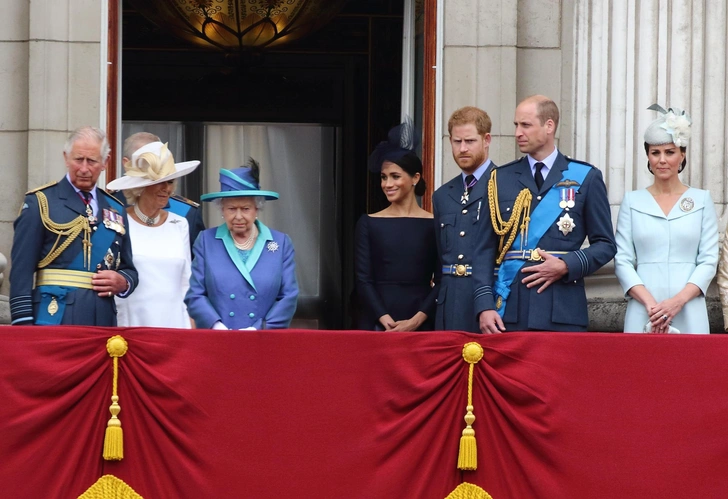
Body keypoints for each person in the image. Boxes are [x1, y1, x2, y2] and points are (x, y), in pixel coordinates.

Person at [473, 95, 616, 333]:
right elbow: (482, 251)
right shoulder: (500, 179)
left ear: (549, 126)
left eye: (526, 125)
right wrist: (484, 305)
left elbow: (605, 245)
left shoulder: (585, 177)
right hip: (508, 312)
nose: (518, 132)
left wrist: (566, 265)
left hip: (562, 311)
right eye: (516, 125)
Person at [9, 126, 138, 326]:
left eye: (92, 161)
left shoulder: (115, 208)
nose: (84, 168)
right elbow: (21, 272)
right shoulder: (41, 202)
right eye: (78, 160)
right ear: (66, 158)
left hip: (102, 319)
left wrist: (123, 281)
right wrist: (23, 324)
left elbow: (129, 268)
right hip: (52, 318)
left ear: (105, 162)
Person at [615, 105, 718, 334]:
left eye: (669, 152)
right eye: (655, 152)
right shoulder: (632, 201)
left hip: (689, 308)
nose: (662, 160)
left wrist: (677, 302)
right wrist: (652, 306)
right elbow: (622, 260)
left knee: (690, 368)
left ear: (682, 155)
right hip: (644, 308)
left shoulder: (701, 200)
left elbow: (709, 260)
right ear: (648, 156)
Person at [185, 160, 298, 329]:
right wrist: (216, 326)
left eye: (245, 209)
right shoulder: (206, 242)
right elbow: (195, 294)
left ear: (256, 209)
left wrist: (259, 328)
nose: (238, 216)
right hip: (218, 340)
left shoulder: (280, 243)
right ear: (222, 209)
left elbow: (288, 296)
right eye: (231, 209)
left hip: (264, 340)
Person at [106, 141, 200, 328]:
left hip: (175, 326)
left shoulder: (180, 224)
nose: (167, 188)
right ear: (139, 187)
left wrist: (191, 327)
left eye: (170, 182)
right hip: (132, 326)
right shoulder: (120, 223)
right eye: (159, 182)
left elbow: (186, 283)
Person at [354, 121, 438, 331]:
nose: (387, 184)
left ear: (415, 178)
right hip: (377, 320)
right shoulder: (368, 222)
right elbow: (363, 280)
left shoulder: (435, 224)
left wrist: (416, 321)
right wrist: (385, 320)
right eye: (383, 177)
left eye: (395, 176)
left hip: (422, 320)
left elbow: (443, 279)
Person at [432, 106, 496, 332]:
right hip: (450, 304)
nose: (463, 148)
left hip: (491, 301)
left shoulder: (505, 186)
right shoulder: (442, 195)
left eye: (469, 141)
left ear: (486, 140)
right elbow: (441, 258)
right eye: (457, 141)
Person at [121, 132, 206, 251]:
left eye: (170, 180)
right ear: (127, 164)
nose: (166, 188)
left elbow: (195, 264)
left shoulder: (187, 213)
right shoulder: (111, 207)